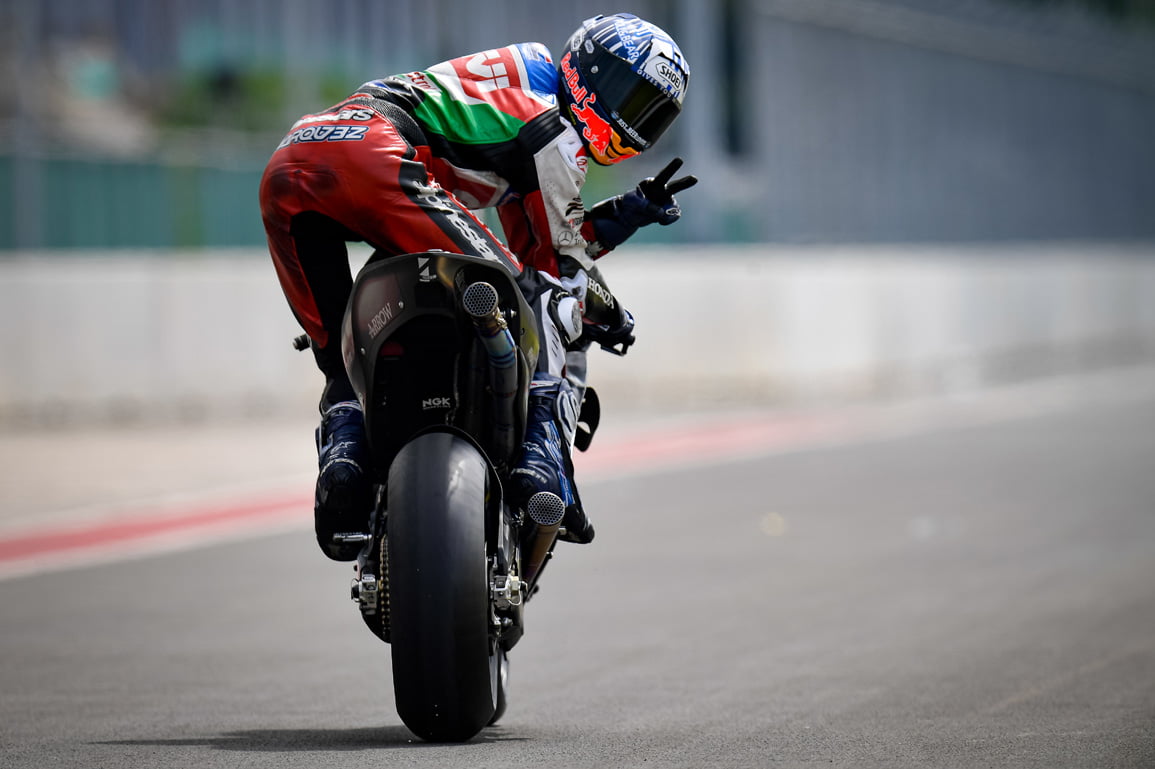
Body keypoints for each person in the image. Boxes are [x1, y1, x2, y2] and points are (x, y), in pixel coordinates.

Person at [259, 13, 696, 561]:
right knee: (540, 295)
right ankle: (543, 458)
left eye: (648, 112)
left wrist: (625, 212)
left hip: (295, 159)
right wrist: (608, 306)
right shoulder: (554, 129)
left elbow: (535, 236)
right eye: (623, 92)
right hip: (378, 156)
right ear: (586, 67)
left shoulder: (525, 90)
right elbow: (555, 263)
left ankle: (345, 455)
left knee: (337, 365)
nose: (630, 119)